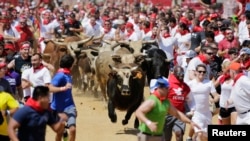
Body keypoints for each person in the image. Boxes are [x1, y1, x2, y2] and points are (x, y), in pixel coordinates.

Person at [135, 77, 200, 141]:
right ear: (160, 88)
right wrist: (148, 123)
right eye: (167, 88)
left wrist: (190, 122)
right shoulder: (152, 100)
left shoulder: (166, 102)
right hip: (146, 136)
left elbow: (177, 114)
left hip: (159, 136)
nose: (169, 90)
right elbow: (138, 112)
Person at [187, 64, 220, 141]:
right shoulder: (190, 84)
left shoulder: (209, 83)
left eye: (204, 72)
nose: (202, 73)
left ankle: (192, 138)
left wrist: (214, 99)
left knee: (205, 137)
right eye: (200, 71)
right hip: (196, 113)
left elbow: (215, 95)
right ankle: (191, 137)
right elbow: (185, 96)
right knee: (200, 134)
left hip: (207, 114)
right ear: (195, 72)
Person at [163, 66, 195, 141]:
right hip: (167, 115)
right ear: (174, 74)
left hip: (180, 114)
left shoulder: (185, 87)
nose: (181, 75)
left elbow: (190, 100)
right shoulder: (167, 84)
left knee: (179, 134)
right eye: (179, 73)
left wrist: (193, 109)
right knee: (166, 138)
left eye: (182, 73)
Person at [49, 54, 76, 141]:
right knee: (60, 132)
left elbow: (69, 93)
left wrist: (74, 107)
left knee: (72, 129)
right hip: (58, 109)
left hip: (69, 107)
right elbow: (50, 88)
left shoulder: (68, 75)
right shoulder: (60, 75)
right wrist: (63, 88)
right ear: (70, 65)